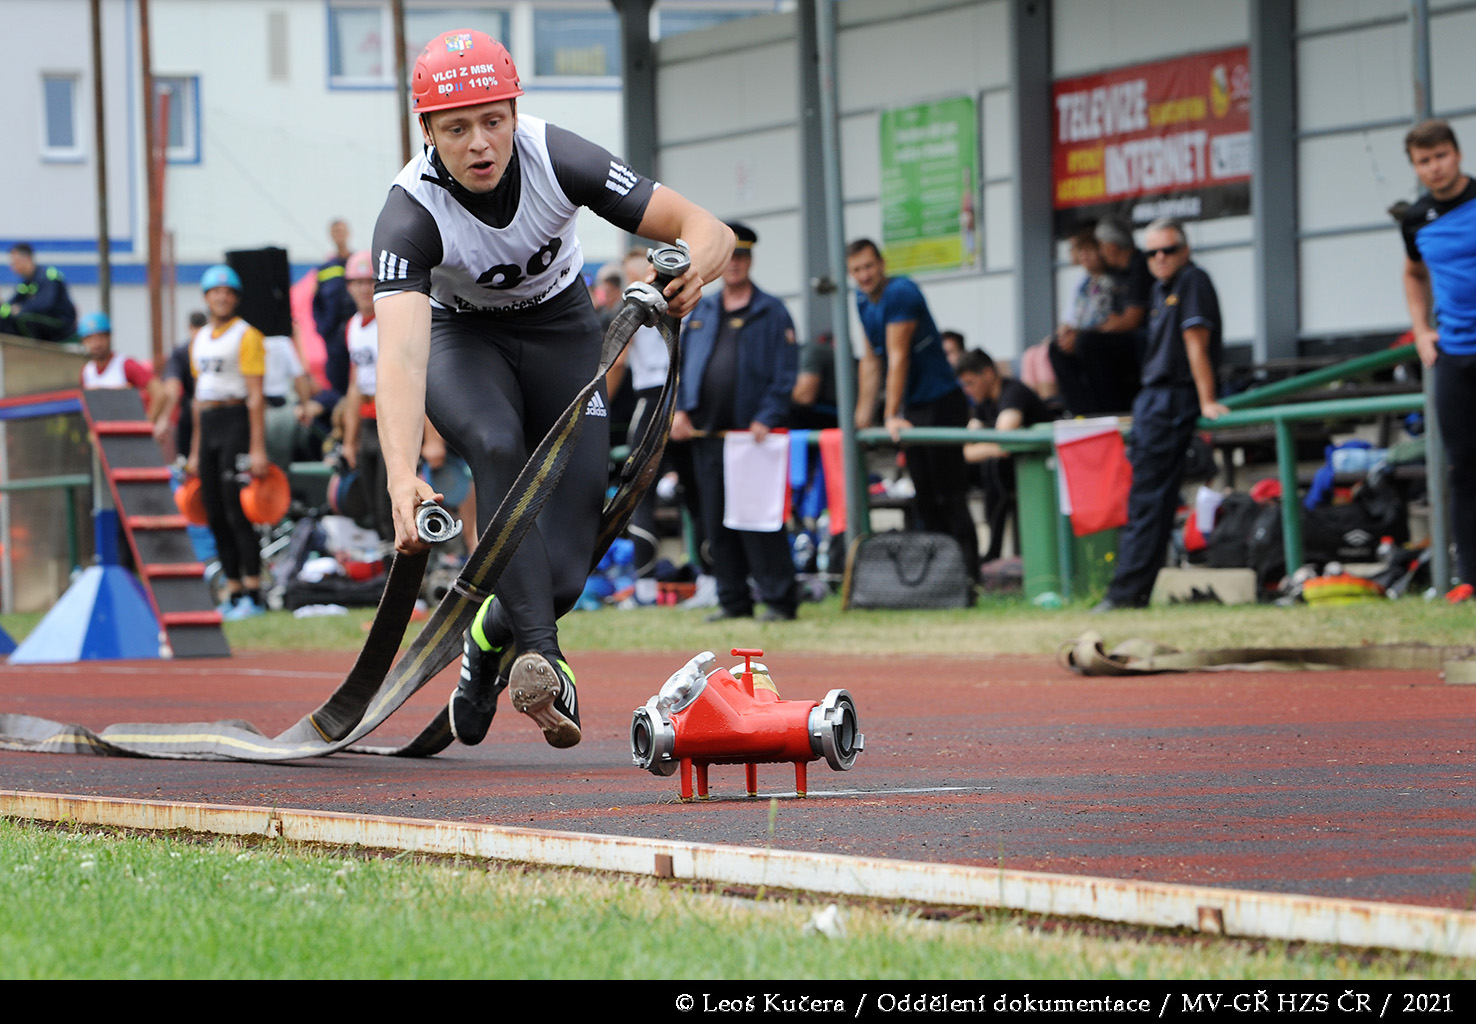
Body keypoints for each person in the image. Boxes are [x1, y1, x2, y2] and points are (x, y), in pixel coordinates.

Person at [371, 29, 733, 750]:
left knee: (563, 572)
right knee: (495, 440)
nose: (480, 143)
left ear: (514, 112)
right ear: (428, 133)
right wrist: (402, 475)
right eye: (457, 128)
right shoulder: (407, 216)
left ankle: (485, 648)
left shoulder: (560, 156)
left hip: (562, 333)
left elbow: (707, 226)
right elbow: (402, 361)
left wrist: (695, 265)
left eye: (493, 121)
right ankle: (548, 663)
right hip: (461, 342)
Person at [1095, 218, 1226, 611]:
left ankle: (1124, 594)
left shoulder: (1193, 280)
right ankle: (1130, 591)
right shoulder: (1159, 288)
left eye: (1168, 249)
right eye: (1152, 252)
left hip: (1173, 397)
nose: (1160, 258)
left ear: (1184, 250)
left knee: (1148, 500)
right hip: (1153, 398)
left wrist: (1206, 400)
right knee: (1144, 499)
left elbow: (1195, 344)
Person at [670, 222, 799, 622]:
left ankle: (779, 600)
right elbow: (684, 364)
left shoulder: (772, 311)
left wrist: (768, 416)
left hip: (752, 438)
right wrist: (682, 409)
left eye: (742, 258)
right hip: (707, 435)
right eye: (731, 258)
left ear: (751, 261)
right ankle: (733, 601)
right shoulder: (703, 309)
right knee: (716, 522)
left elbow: (785, 372)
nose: (736, 265)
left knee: (760, 523)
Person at [845, 237, 979, 580]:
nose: (864, 275)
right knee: (925, 499)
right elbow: (872, 360)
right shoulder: (861, 299)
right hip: (914, 408)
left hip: (941, 402)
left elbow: (898, 355)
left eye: (869, 266)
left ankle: (968, 579)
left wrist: (889, 414)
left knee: (949, 496)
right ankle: (939, 580)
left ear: (883, 264)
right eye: (857, 270)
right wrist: (860, 418)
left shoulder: (902, 292)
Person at [1400, 118, 1476, 603]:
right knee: (1463, 467)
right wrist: (1422, 330)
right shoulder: (1415, 218)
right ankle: (1470, 576)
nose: (1435, 167)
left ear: (1458, 154)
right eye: (1424, 161)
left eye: (1441, 156)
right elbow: (1412, 274)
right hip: (1453, 355)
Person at [187, 264, 271, 620]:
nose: (221, 297)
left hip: (236, 420)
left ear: (235, 298)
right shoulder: (200, 338)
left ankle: (254, 590)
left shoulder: (246, 335)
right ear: (206, 297)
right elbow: (197, 397)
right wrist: (193, 450)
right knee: (213, 509)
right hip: (208, 424)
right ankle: (233, 590)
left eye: (228, 292)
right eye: (214, 291)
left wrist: (257, 447)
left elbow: (255, 396)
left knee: (238, 510)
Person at [605, 246, 672, 581]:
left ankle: (645, 584)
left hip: (652, 400)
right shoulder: (676, 298)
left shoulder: (631, 305)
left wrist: (600, 405)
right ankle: (709, 579)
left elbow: (617, 361)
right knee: (694, 490)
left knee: (638, 492)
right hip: (681, 399)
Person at [956, 348, 1054, 563]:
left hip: (1040, 471)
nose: (967, 390)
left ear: (988, 374)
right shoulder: (984, 404)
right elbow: (966, 447)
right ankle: (971, 553)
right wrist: (988, 448)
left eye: (970, 382)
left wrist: (985, 448)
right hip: (1011, 471)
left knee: (994, 469)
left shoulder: (1014, 393)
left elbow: (1004, 441)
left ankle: (993, 554)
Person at [1049, 218, 1151, 416]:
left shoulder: (1138, 266)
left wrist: (1084, 334)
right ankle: (1080, 413)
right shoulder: (1116, 271)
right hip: (1117, 336)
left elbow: (1130, 320)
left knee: (1087, 343)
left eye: (1100, 247)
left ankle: (1108, 412)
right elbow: (1109, 321)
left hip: (1140, 341)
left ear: (1112, 247)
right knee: (1057, 347)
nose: (1101, 253)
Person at [338, 249, 395, 543]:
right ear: (349, 287)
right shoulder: (352, 327)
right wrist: (349, 440)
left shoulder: (389, 321)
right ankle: (384, 575)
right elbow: (354, 385)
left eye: (369, 281)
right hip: (367, 420)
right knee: (371, 503)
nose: (363, 288)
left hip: (391, 418)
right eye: (357, 282)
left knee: (390, 502)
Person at [77, 311, 165, 416]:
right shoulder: (86, 372)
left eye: (101, 336)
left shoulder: (125, 365)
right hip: (101, 430)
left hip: (126, 429)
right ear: (83, 341)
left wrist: (145, 426)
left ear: (109, 337)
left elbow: (160, 393)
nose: (96, 343)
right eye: (90, 338)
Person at [155, 311, 209, 462]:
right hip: (191, 417)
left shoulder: (213, 350)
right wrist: (165, 418)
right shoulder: (182, 353)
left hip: (211, 413)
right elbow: (173, 387)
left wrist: (164, 418)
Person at [2, 243, 77, 342]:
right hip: (39, 321)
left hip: (60, 323)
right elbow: (11, 303)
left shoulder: (47, 276)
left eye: (15, 262)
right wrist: (3, 307)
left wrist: (21, 308)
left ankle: (33, 351)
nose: (12, 267)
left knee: (24, 318)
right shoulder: (26, 283)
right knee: (5, 319)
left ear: (27, 259)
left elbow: (44, 304)